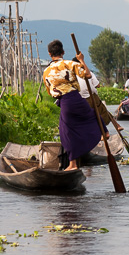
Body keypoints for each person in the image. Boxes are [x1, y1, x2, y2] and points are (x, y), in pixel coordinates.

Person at [43, 39, 102, 171]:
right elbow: (87, 75)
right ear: (63, 52)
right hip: (76, 98)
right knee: (91, 117)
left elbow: (50, 91)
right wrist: (81, 60)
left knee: (66, 134)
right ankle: (104, 132)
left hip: (64, 102)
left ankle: (73, 164)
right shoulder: (69, 64)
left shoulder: (46, 71)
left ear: (49, 54)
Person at [72, 57, 124, 133]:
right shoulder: (89, 73)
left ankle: (102, 132)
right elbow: (97, 85)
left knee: (92, 115)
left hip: (81, 98)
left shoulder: (73, 75)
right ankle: (116, 126)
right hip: (92, 96)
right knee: (103, 111)